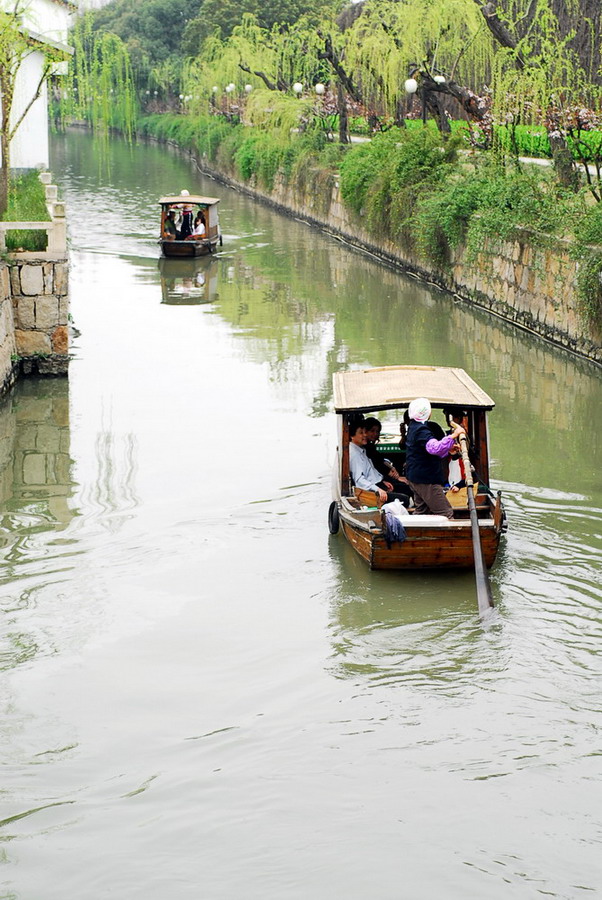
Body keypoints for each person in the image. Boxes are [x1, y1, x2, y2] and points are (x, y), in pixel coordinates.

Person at [405, 397, 466, 519]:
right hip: (426, 480)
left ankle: (412, 534)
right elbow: (435, 448)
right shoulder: (421, 429)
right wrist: (455, 434)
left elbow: (427, 450)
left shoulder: (413, 426)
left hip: (415, 478)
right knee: (446, 513)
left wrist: (448, 449)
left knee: (422, 510)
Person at [348, 421, 410, 506]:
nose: (365, 435)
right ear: (352, 436)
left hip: (377, 484)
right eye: (361, 433)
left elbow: (372, 471)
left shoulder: (362, 449)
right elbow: (359, 480)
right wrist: (378, 490)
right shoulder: (354, 454)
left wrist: (382, 481)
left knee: (407, 488)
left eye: (365, 432)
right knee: (405, 499)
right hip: (370, 492)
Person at [363, 416, 412, 502]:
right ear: (365, 432)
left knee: (407, 485)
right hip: (376, 484)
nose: (375, 434)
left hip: (380, 479)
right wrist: (394, 476)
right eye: (372, 431)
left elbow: (380, 460)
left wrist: (392, 470)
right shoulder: (363, 450)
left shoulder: (370, 447)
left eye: (377, 432)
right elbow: (378, 464)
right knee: (406, 489)